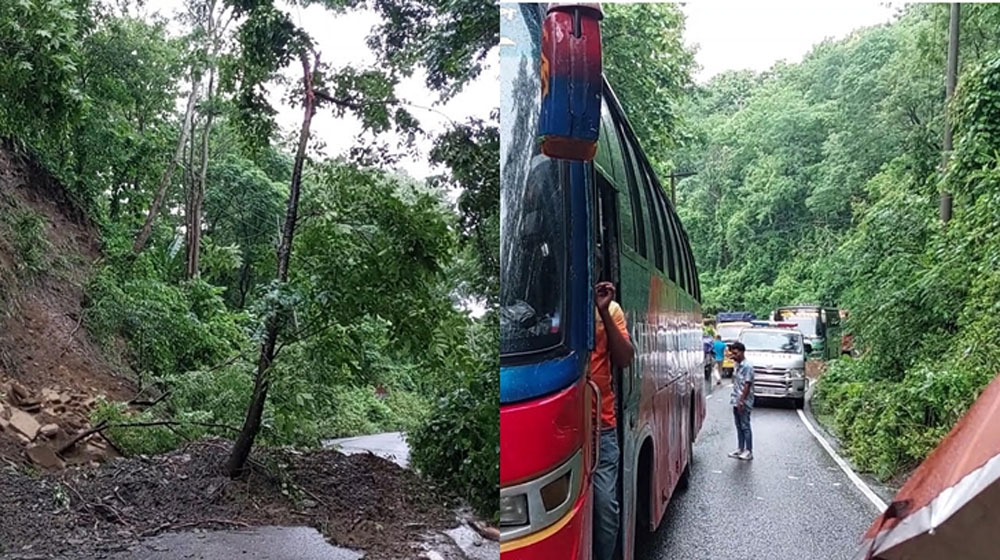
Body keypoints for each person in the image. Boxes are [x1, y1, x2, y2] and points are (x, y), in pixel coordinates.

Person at [591, 279, 634, 560]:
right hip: (562, 426)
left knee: (605, 507)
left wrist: (603, 311)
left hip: (601, 428)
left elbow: (625, 358)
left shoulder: (612, 310)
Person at [727, 342, 754, 461]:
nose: (734, 356)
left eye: (736, 353)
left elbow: (747, 385)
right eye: (732, 353)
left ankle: (749, 450)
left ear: (742, 352)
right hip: (735, 399)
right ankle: (740, 448)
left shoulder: (747, 366)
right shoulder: (737, 365)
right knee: (738, 426)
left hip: (744, 401)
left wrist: (742, 401)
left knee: (745, 426)